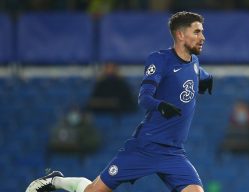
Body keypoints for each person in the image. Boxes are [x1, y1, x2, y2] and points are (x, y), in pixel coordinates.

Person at [26, 11, 213, 192]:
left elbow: (194, 73)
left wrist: (206, 78)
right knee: (94, 191)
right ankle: (55, 180)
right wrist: (160, 105)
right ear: (180, 34)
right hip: (145, 147)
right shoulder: (160, 60)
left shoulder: (194, 62)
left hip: (174, 152)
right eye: (197, 32)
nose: (202, 37)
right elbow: (144, 97)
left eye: (202, 31)